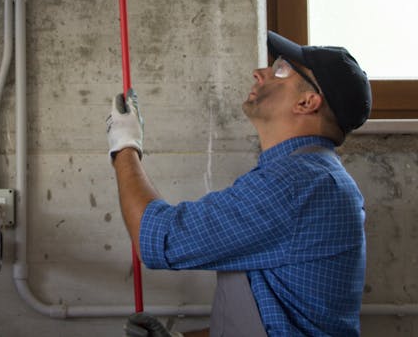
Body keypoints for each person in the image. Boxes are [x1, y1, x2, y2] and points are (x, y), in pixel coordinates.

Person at [106, 31, 372, 336]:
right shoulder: (309, 177)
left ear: (307, 101)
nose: (260, 74)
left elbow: (159, 238)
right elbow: (275, 314)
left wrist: (124, 145)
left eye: (281, 69)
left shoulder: (298, 184)